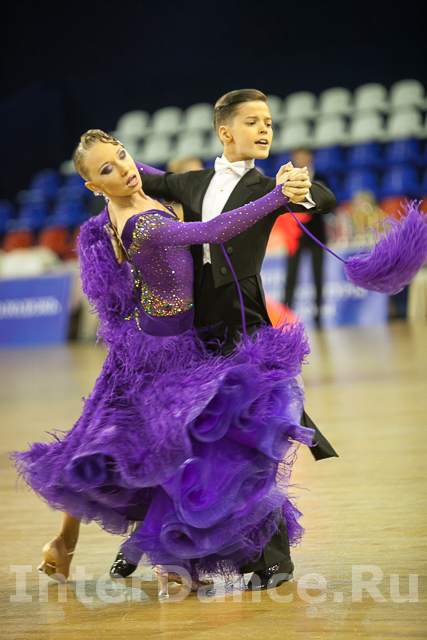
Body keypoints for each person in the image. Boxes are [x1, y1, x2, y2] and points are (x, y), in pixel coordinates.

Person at [13, 129, 315, 597]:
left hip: (148, 338)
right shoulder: (141, 223)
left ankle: (66, 541)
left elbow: (173, 178)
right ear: (94, 186)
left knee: (109, 442)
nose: (124, 168)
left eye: (122, 155)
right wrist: (277, 197)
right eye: (108, 169)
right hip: (161, 352)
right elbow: (213, 231)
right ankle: (168, 557)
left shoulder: (133, 190)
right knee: (163, 451)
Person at [110, 89, 339, 590]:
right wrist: (111, 155)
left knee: (253, 447)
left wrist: (301, 188)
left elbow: (324, 198)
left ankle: (272, 561)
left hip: (247, 328)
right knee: (187, 446)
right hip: (195, 335)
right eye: (253, 121)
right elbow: (143, 176)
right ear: (224, 131)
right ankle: (162, 546)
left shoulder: (267, 185)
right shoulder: (192, 183)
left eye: (269, 122)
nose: (265, 129)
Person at [283, 148, 329, 328]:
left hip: (317, 234)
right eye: (297, 156)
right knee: (291, 276)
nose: (301, 159)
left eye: (304, 156)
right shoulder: (287, 180)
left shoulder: (322, 178)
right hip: (295, 236)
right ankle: (286, 314)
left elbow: (327, 203)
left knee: (318, 276)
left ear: (311, 158)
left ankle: (319, 315)